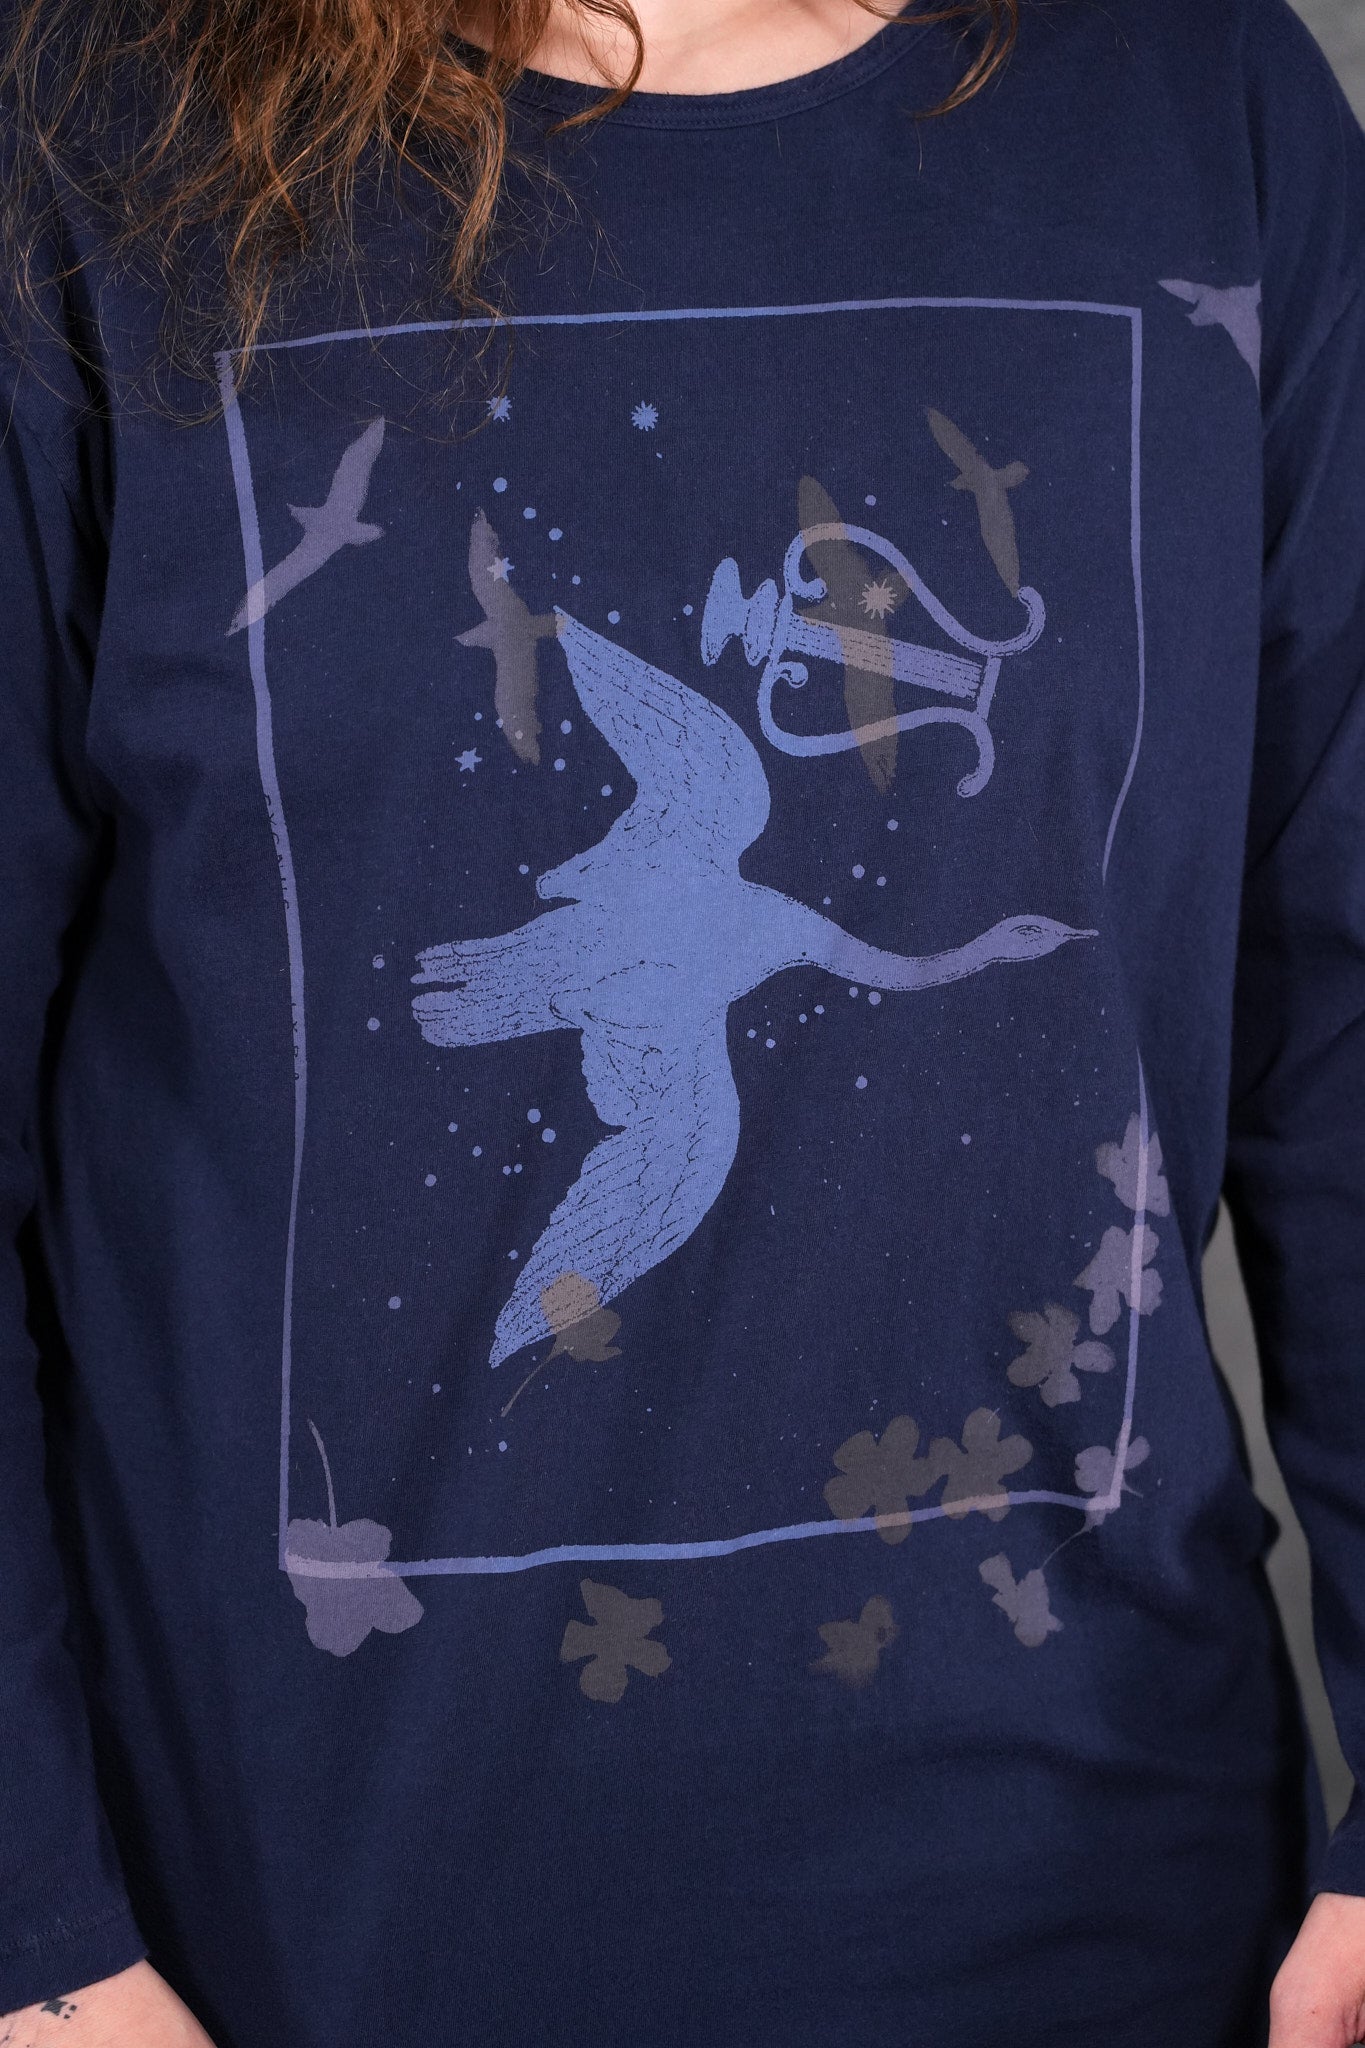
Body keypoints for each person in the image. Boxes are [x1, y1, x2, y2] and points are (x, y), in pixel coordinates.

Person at [0, 0, 1363, 2040]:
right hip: (286, 1941)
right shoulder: (91, 110)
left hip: (1097, 1915)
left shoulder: (1199, 95)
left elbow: (1348, 1026)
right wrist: (33, 1942)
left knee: (672, 1146)